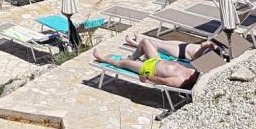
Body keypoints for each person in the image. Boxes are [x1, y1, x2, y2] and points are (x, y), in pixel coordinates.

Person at [93, 34, 222, 89]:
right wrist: (208, 46)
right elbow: (196, 58)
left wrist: (148, 78)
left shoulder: (182, 81)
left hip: (148, 67)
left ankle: (102, 58)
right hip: (157, 60)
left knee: (122, 64)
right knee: (145, 42)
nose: (199, 72)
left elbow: (164, 81)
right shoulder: (193, 70)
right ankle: (132, 57)